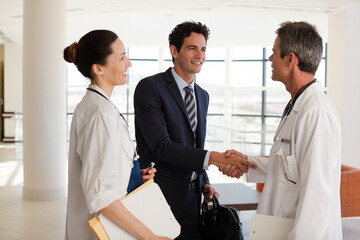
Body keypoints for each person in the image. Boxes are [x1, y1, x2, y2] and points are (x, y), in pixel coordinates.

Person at [134, 21, 254, 239]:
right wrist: (216, 158)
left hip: (193, 197)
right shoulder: (150, 88)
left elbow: (194, 146)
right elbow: (162, 147)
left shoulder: (202, 95)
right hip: (160, 194)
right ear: (174, 50)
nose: (200, 55)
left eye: (204, 49)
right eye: (192, 48)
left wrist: (205, 181)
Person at [222, 21, 342, 239]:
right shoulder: (297, 105)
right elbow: (288, 167)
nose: (270, 59)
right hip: (275, 229)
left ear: (290, 59)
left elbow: (316, 199)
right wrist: (247, 163)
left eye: (274, 53)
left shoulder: (316, 113)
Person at [64, 30, 170, 240]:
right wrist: (149, 237)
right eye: (121, 57)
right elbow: (101, 196)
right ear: (99, 68)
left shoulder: (97, 106)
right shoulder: (100, 114)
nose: (128, 63)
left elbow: (101, 172)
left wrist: (131, 177)